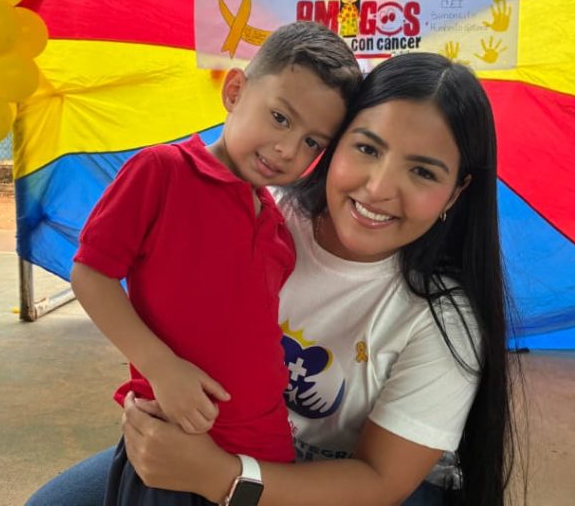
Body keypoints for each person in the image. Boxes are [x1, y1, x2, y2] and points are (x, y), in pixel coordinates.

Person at [28, 52, 519, 506]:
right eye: (367, 148)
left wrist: (220, 477)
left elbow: (380, 482)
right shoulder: (266, 214)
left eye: (424, 173)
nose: (379, 187)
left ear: (457, 192)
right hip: (224, 443)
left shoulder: (443, 319)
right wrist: (158, 387)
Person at [70, 20, 362, 505]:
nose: (288, 149)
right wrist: (161, 368)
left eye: (313, 142)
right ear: (235, 91)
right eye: (280, 118)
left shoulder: (276, 225)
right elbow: (91, 274)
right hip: (175, 445)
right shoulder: (163, 172)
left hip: (266, 449)